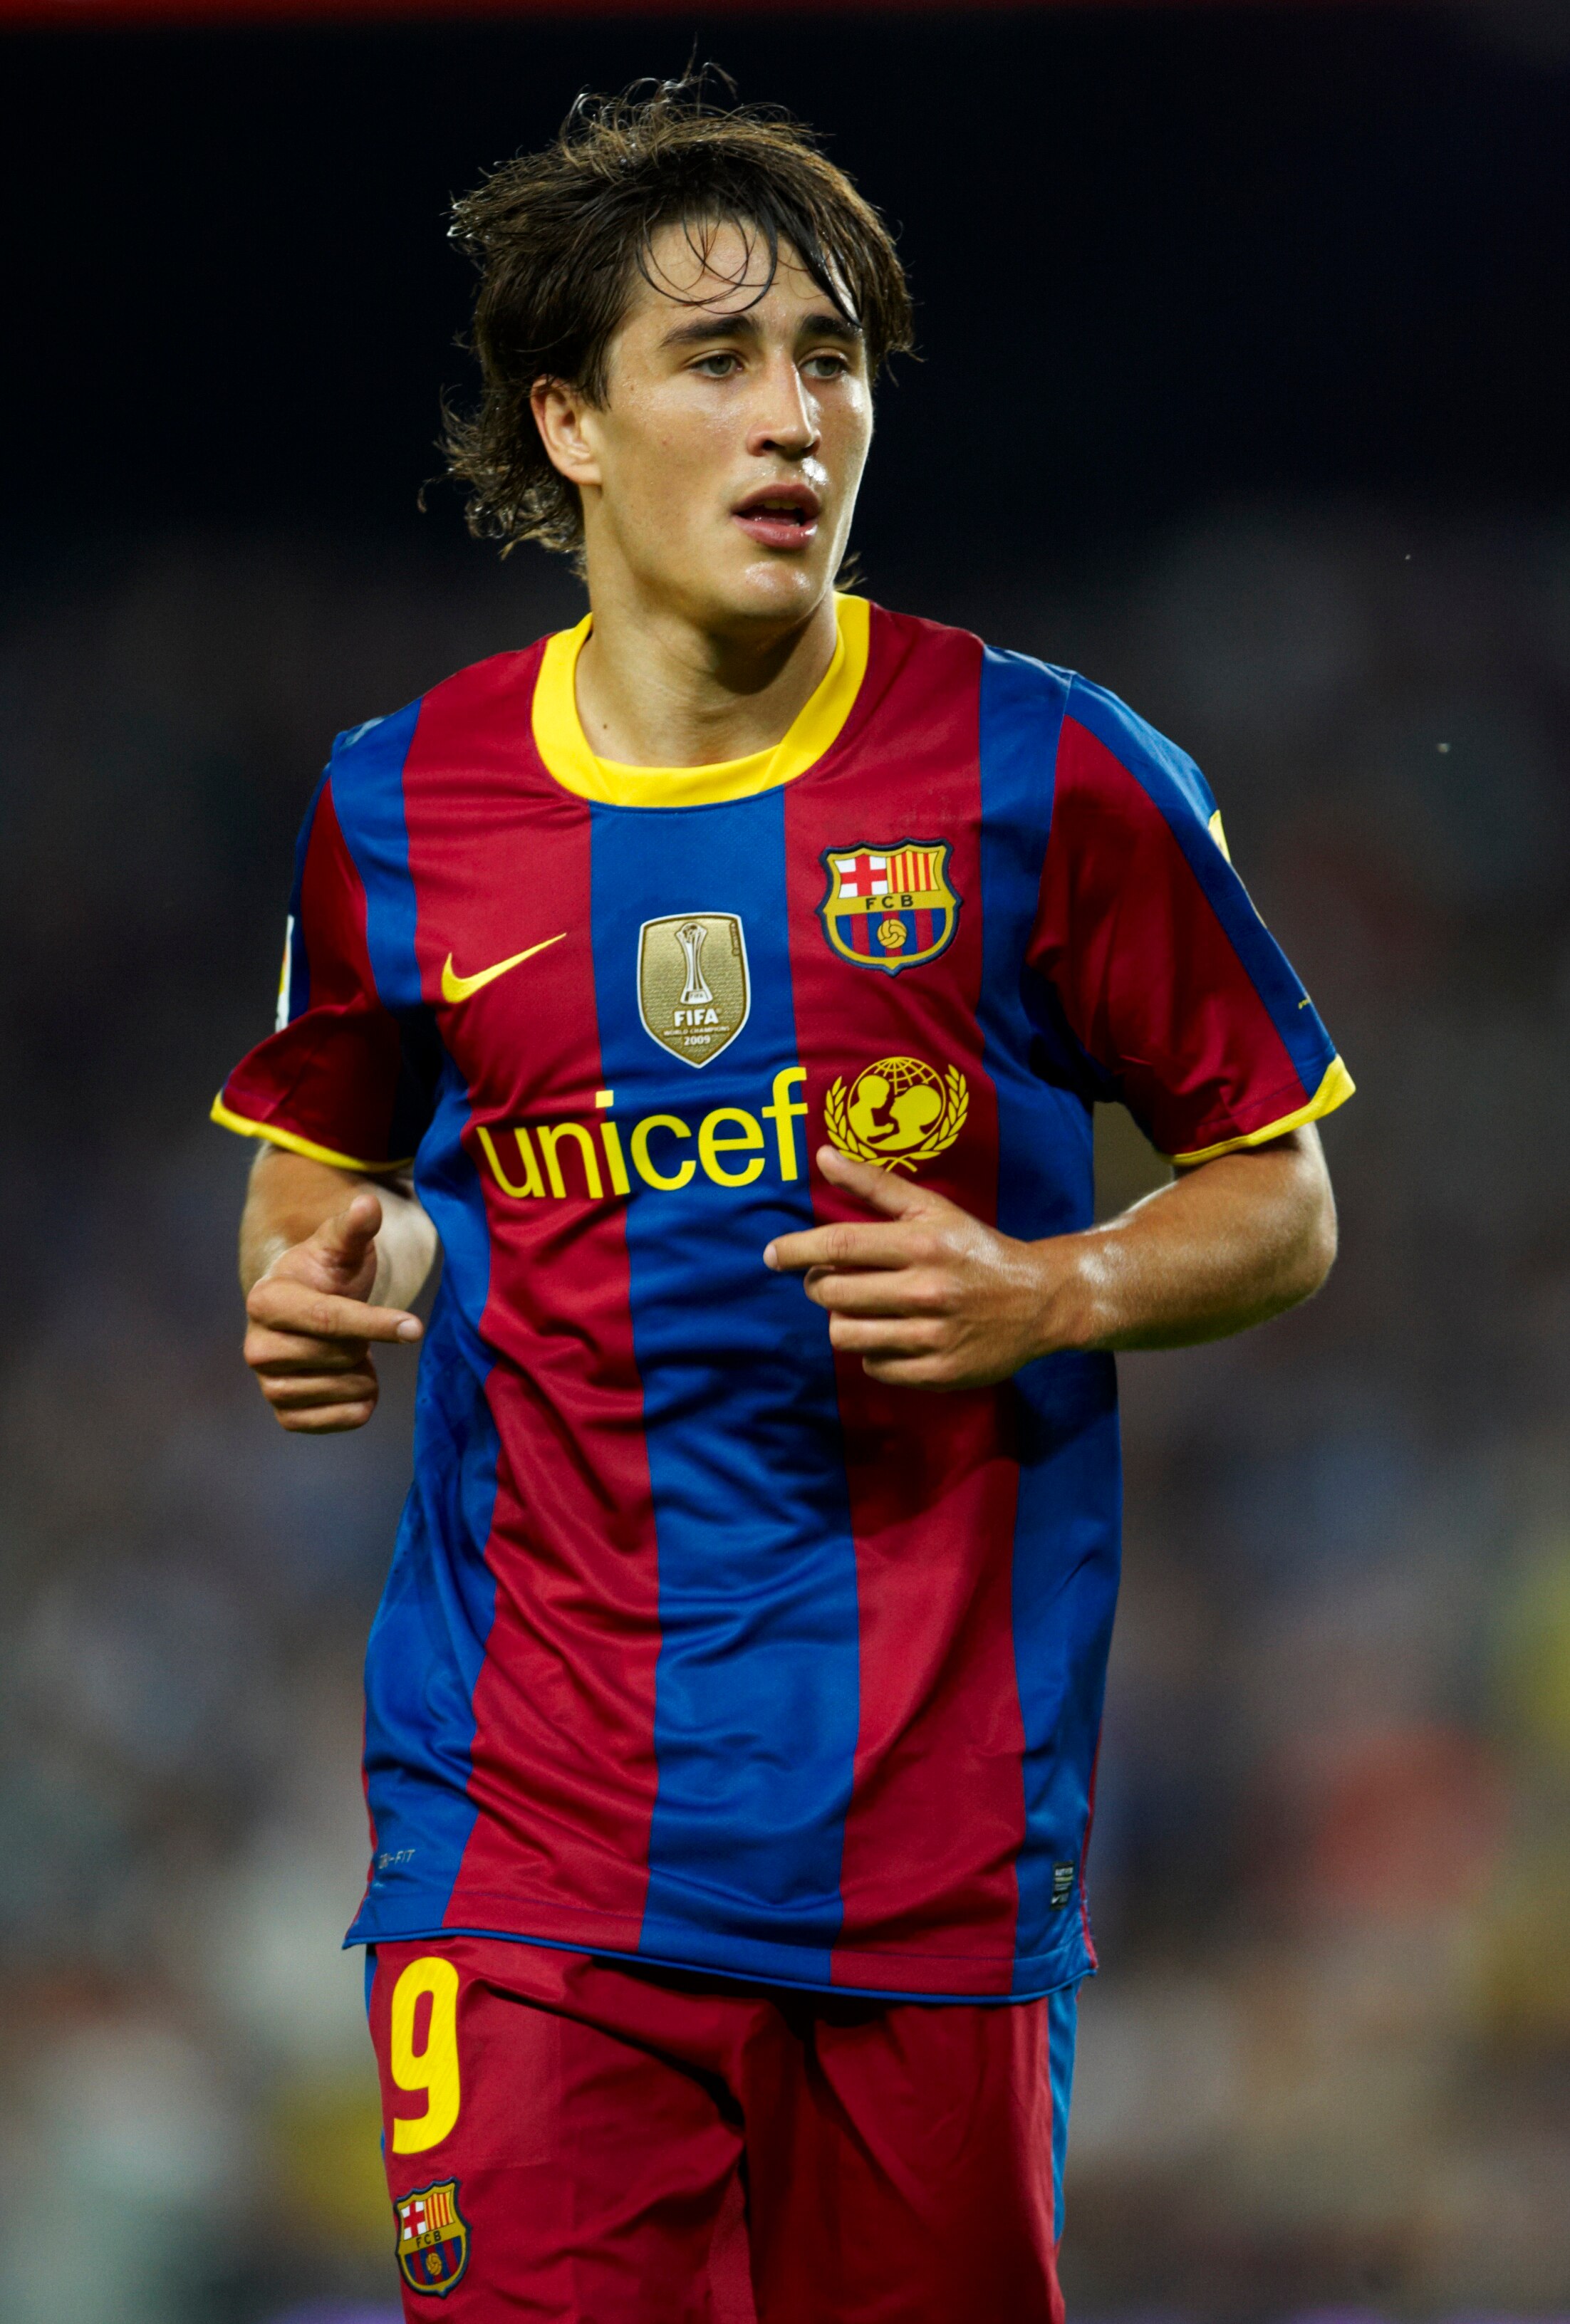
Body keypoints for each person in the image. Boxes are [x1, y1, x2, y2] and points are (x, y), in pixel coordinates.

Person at [215, 76, 1351, 2324]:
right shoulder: (401, 806)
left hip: (925, 1860)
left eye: (828, 358)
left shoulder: (1048, 768)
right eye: (714, 361)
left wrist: (1053, 1284)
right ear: (565, 423)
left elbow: (1279, 1198)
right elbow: (344, 1192)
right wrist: (314, 1285)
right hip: (523, 1838)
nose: (793, 417)